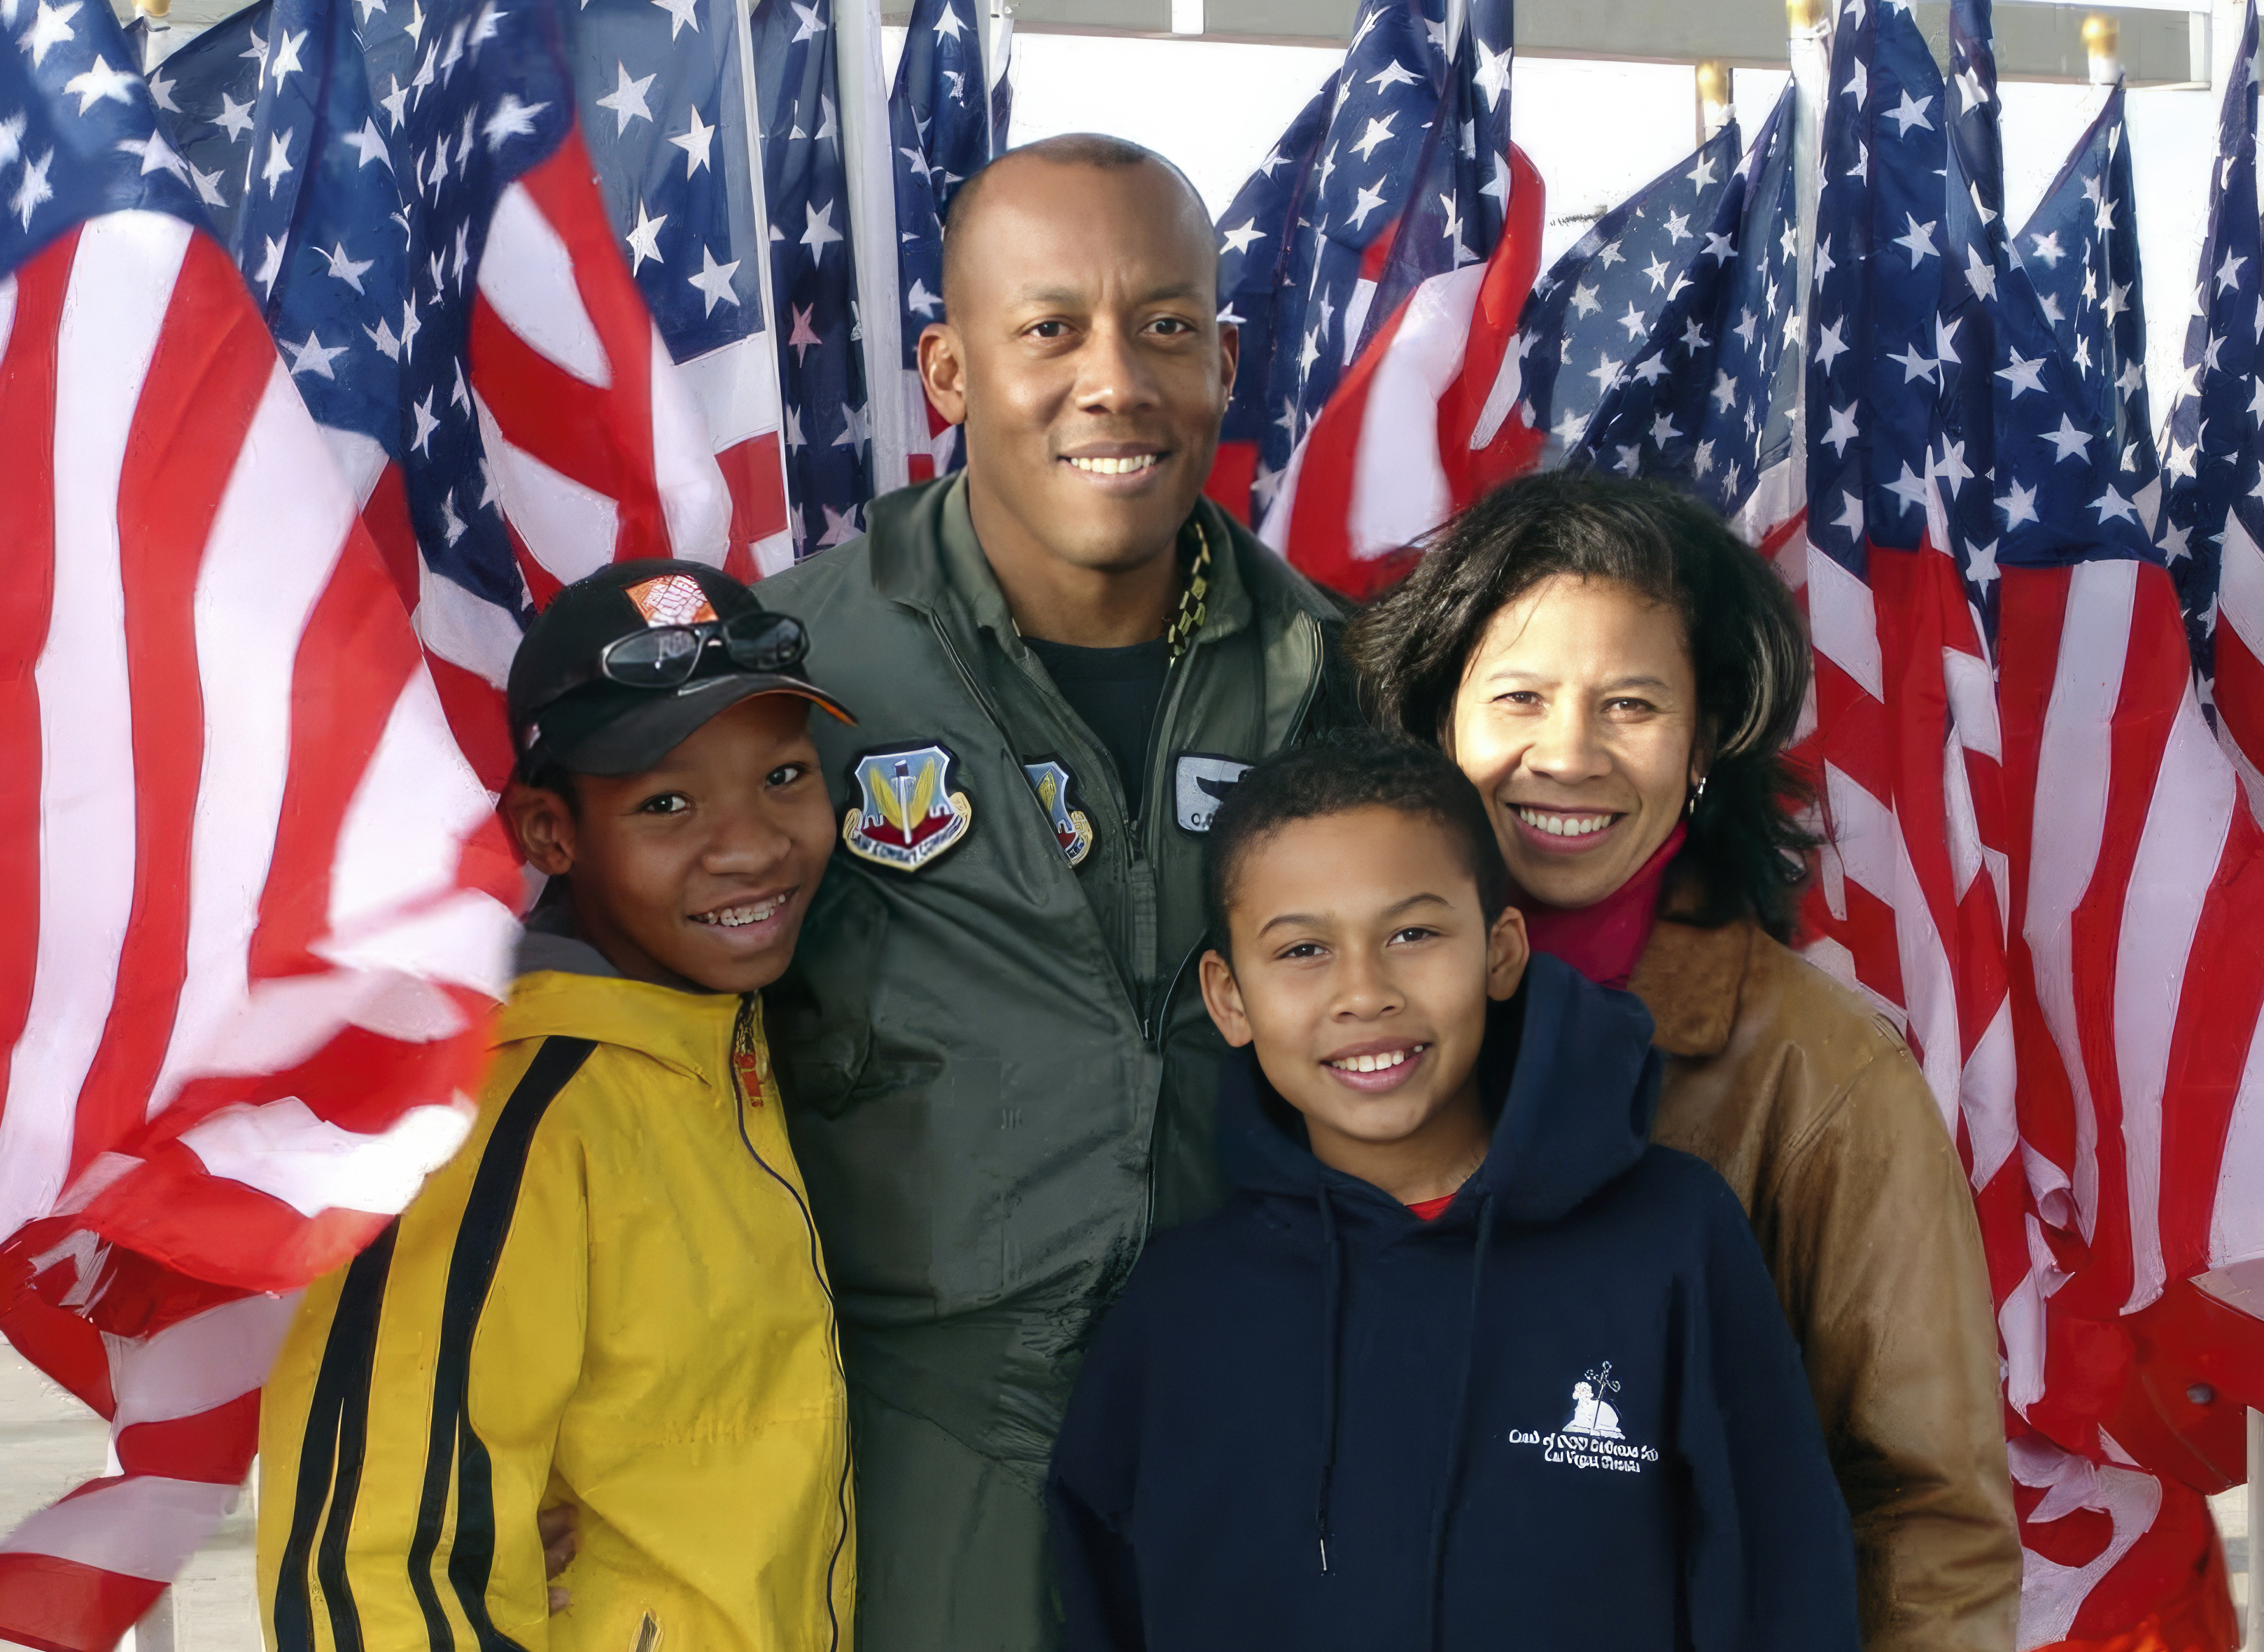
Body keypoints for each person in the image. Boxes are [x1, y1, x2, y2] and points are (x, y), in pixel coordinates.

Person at [754, 134, 1350, 1650]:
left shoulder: (1343, 681)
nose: (1114, 379)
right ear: (949, 372)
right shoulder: (783, 681)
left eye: (1163, 326)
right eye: (1049, 328)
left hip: (1267, 1439)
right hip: (915, 1440)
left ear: (1222, 361)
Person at [1347, 472, 2022, 1652]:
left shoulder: (1821, 1076)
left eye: (1630, 706)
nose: (1567, 755)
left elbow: (1930, 1515)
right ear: (1437, 722)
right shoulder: (1330, 1026)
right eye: (1518, 697)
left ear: (1704, 742)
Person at [1045, 733, 1861, 1652]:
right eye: (1303, 948)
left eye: (1413, 933)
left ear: (1501, 950)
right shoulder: (1173, 1315)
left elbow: (1779, 1589)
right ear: (1229, 998)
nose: (1363, 992)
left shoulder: (1670, 1240)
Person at [257, 562, 857, 1652]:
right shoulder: (500, 1116)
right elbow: (377, 1562)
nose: (752, 843)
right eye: (666, 804)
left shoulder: (732, 1049)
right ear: (548, 834)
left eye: (783, 775)